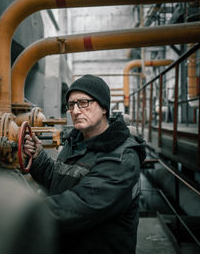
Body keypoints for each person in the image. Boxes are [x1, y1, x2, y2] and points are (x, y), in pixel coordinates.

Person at [24, 74, 145, 254]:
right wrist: (38, 157)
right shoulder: (75, 142)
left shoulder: (122, 156)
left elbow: (80, 205)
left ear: (104, 107)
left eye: (83, 103)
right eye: (71, 105)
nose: (76, 111)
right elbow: (59, 183)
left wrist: (18, 214)